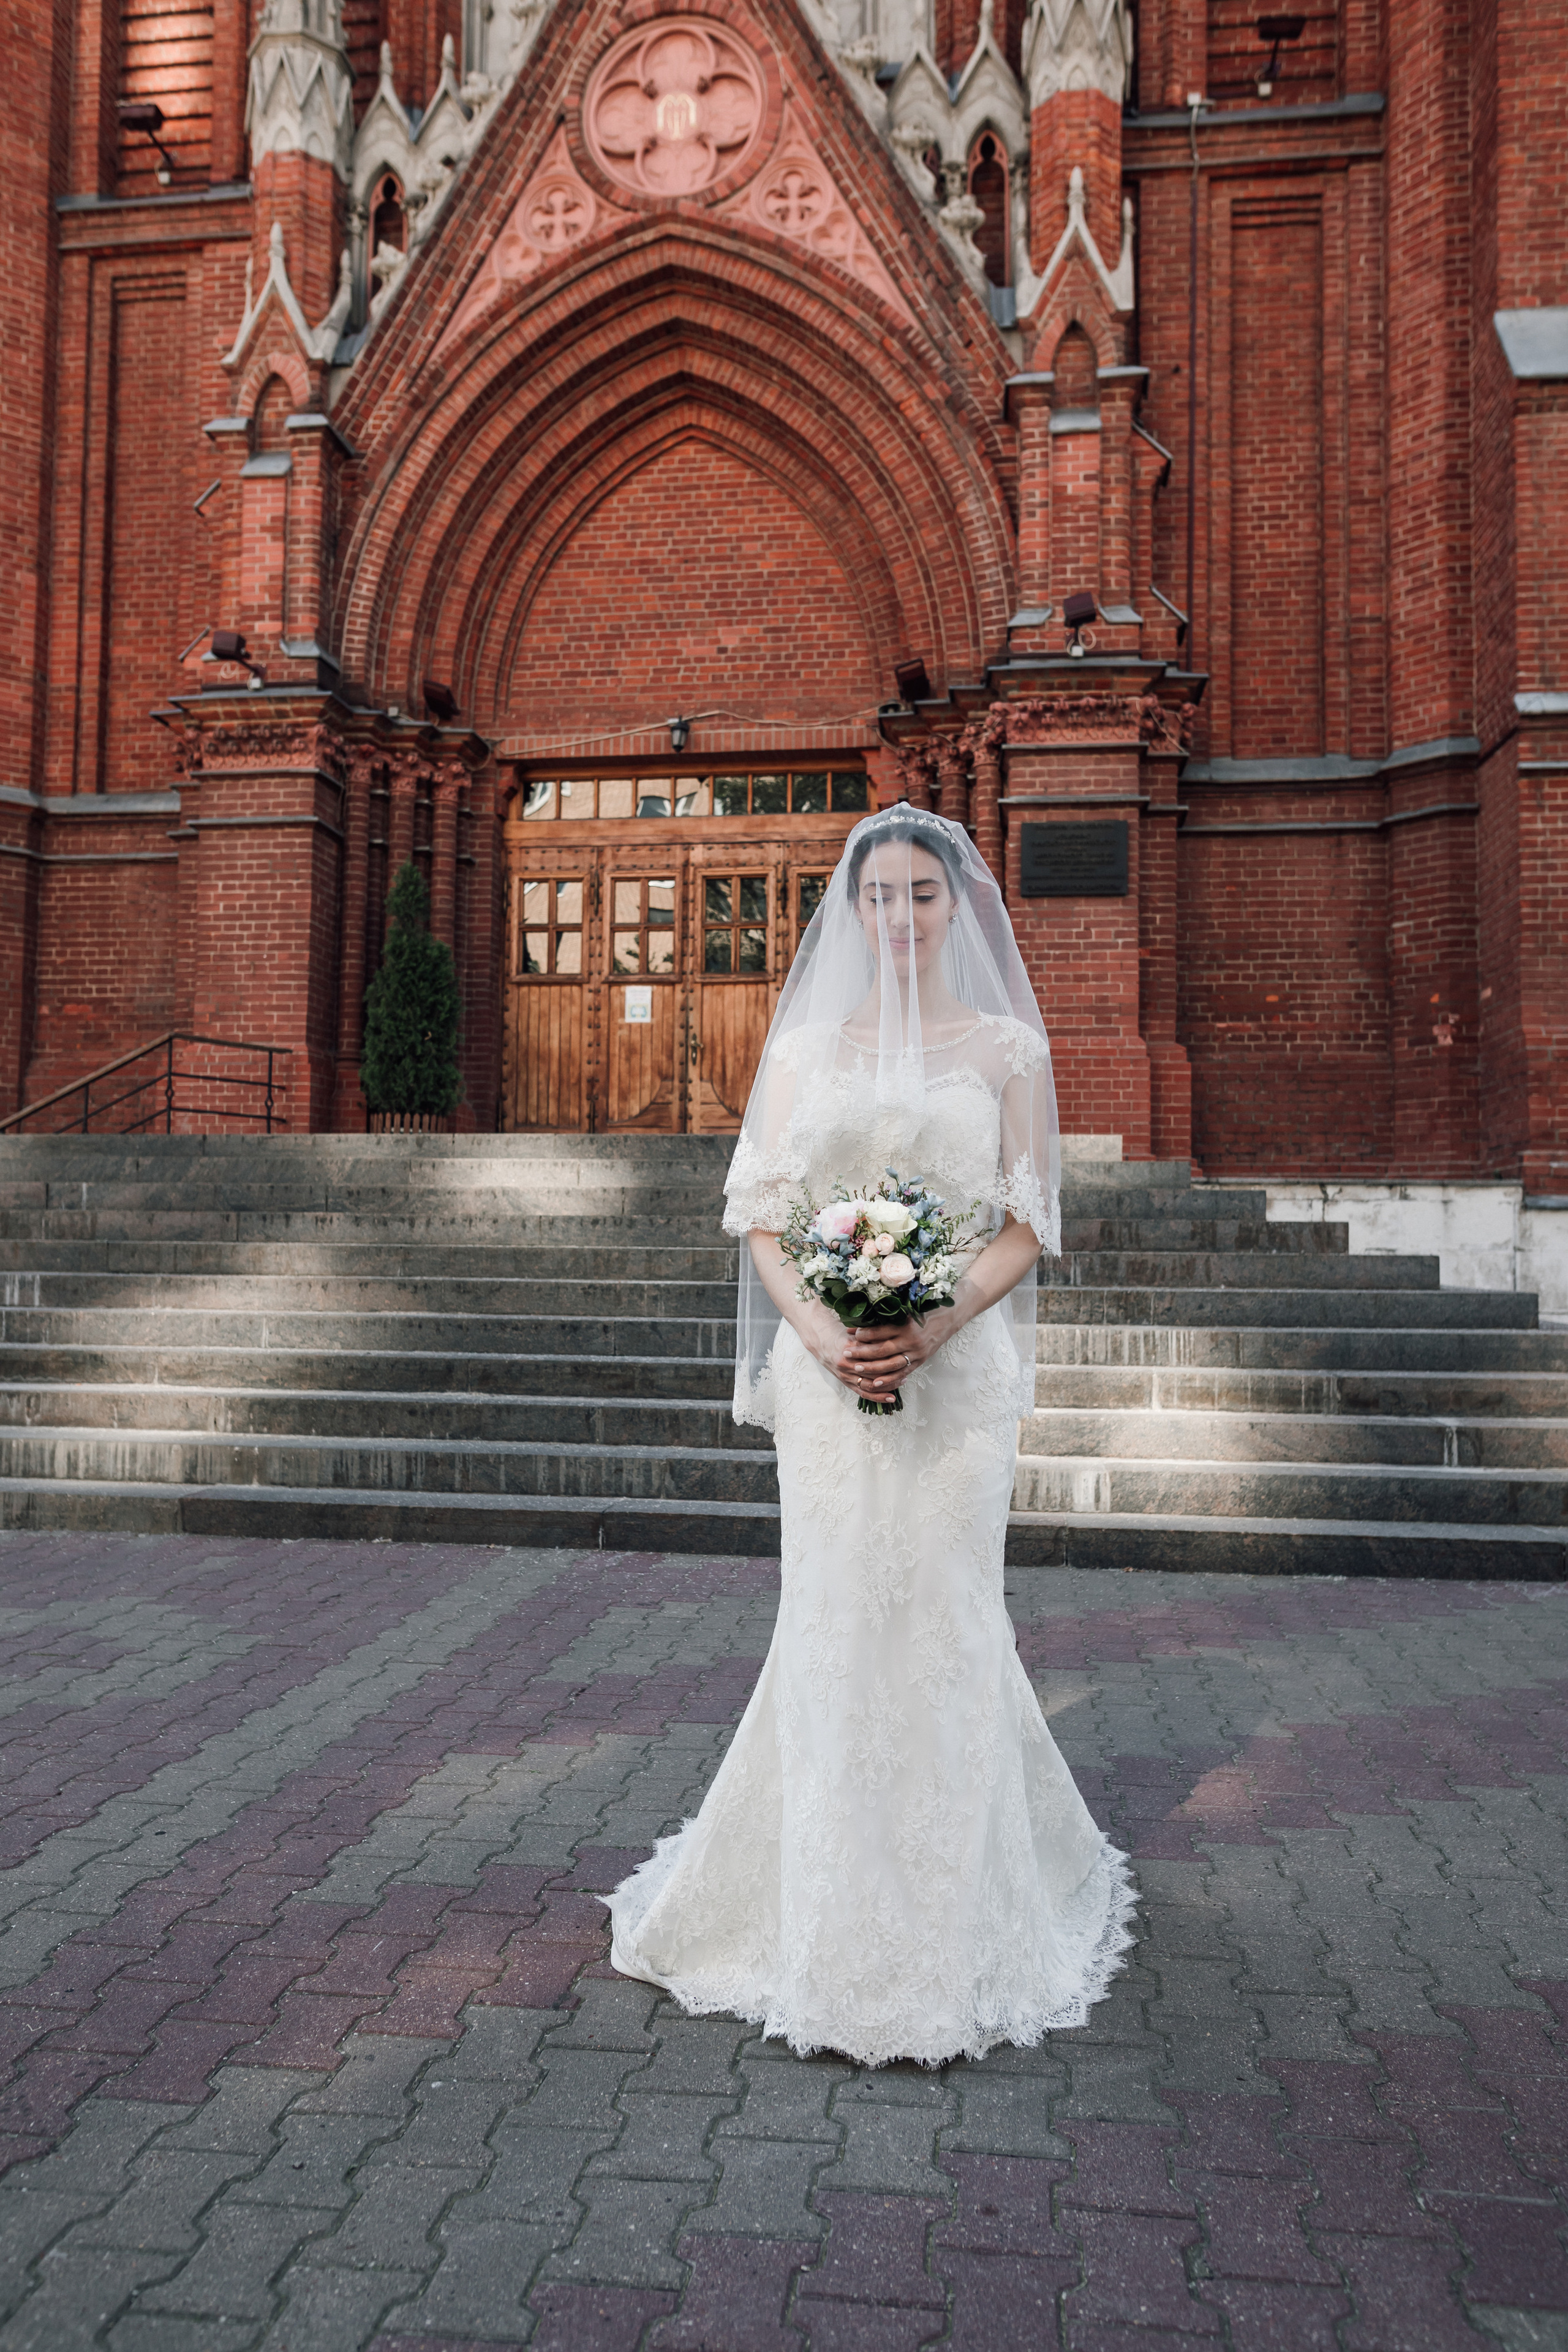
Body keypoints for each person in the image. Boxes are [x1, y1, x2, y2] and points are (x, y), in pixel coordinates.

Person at [604, 804, 1136, 2067]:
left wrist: (932, 1321)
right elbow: (763, 1218)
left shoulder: (1005, 1047)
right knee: (837, 1616)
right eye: (878, 898)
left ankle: (956, 1922)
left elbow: (1024, 1222)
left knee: (947, 1614)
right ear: (851, 914)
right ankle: (823, 1913)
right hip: (827, 1378)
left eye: (920, 896)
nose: (898, 918)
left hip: (952, 1379)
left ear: (957, 907)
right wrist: (828, 1332)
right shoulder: (803, 1050)